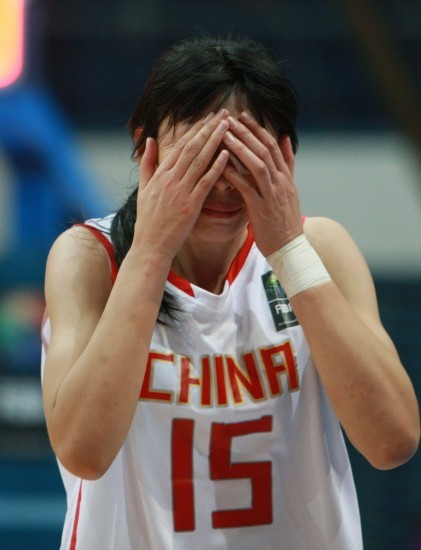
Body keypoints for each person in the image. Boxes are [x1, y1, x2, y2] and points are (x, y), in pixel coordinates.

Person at [41, 35, 419, 550]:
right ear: (145, 149)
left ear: (284, 154)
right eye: (201, 156)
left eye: (242, 154)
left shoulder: (321, 250)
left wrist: (290, 252)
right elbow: (84, 452)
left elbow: (393, 442)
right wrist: (150, 252)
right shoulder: (91, 258)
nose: (222, 182)